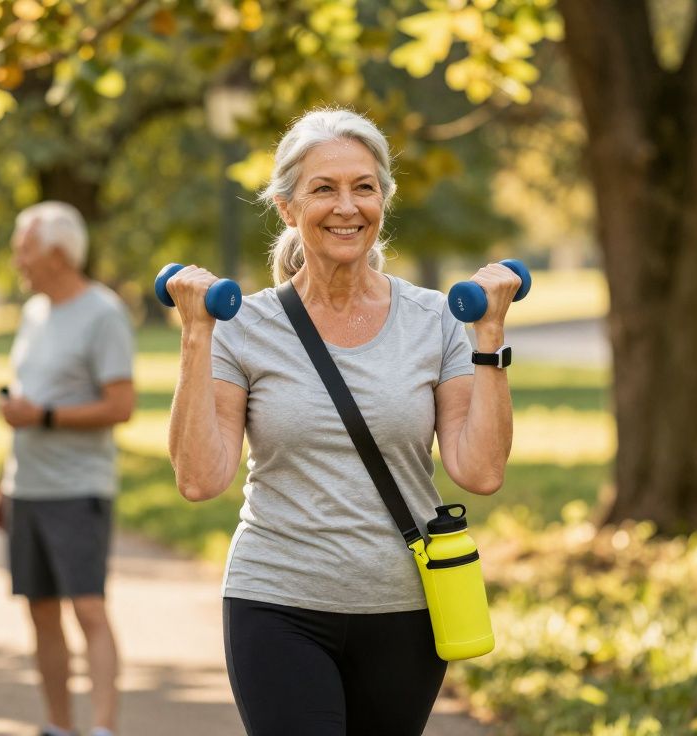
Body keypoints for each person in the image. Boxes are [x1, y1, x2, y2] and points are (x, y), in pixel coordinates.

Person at [165, 108, 520, 736]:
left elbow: (480, 470)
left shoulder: (434, 318)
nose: (346, 206)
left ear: (384, 198)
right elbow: (200, 479)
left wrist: (487, 338)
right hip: (277, 600)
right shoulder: (242, 326)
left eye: (363, 186)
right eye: (323, 188)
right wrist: (197, 337)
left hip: (406, 607)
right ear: (286, 206)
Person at [0, 201, 135, 736]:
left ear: (56, 252)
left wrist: (44, 416)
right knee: (41, 612)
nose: (17, 260)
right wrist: (6, 483)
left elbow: (121, 406)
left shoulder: (104, 312)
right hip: (28, 486)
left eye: (23, 248)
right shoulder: (33, 314)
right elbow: (28, 401)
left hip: (79, 488)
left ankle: (102, 728)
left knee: (88, 609)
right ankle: (59, 726)